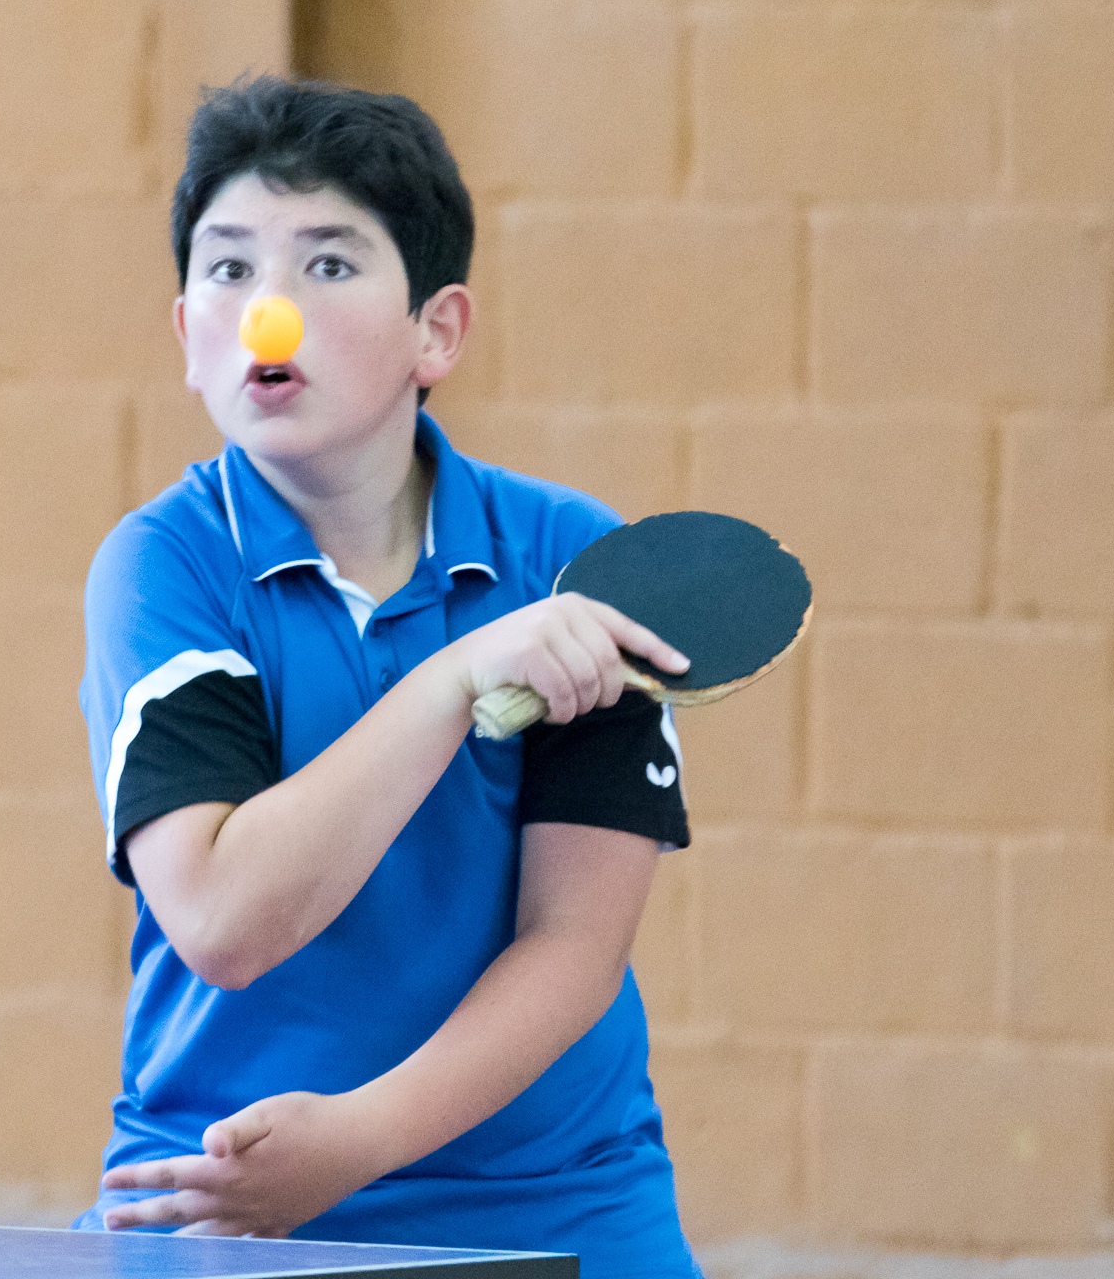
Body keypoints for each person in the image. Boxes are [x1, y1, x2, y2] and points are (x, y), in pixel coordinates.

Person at [76, 75, 703, 1277]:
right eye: (229, 267)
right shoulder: (164, 566)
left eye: (327, 263)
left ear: (437, 331)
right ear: (188, 336)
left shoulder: (571, 559)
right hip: (224, 1188)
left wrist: (360, 1140)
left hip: (554, 1202)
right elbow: (221, 918)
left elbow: (574, 941)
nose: (267, 309)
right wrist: (456, 677)